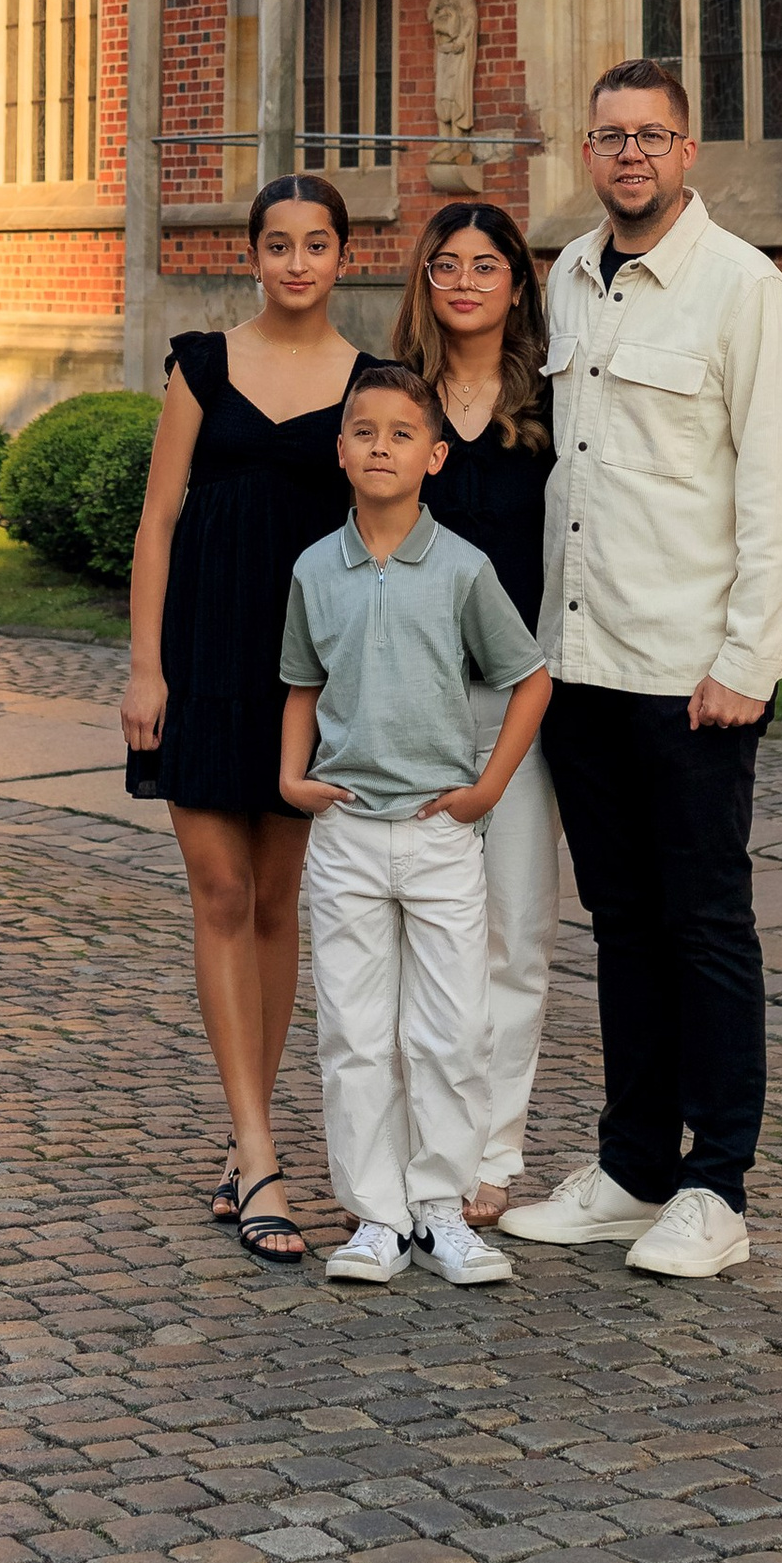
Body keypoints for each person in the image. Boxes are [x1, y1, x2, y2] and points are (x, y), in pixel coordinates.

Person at [500, 57, 782, 1283]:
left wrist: (748, 658)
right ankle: (631, 1169)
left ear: (689, 154)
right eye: (609, 135)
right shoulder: (568, 280)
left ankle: (714, 1186)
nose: (629, 153)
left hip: (692, 676)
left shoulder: (742, 292)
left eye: (652, 136)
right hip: (580, 666)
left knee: (705, 928)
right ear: (589, 153)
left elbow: (772, 488)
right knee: (621, 929)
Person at [120, 170, 382, 1268]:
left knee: (277, 900)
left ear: (341, 258)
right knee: (218, 889)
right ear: (252, 255)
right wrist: (145, 671)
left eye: (315, 245)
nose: (295, 263)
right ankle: (261, 1148)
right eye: (277, 245)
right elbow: (158, 523)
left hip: (305, 680)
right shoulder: (201, 366)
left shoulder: (367, 382)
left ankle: (247, 1138)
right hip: (200, 661)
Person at [279, 363, 550, 1288]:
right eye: (364, 431)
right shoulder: (316, 569)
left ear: (435, 456)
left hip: (441, 835)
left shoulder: (464, 568)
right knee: (355, 1031)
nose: (381, 446)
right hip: (347, 833)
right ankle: (375, 1216)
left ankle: (442, 1209)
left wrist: (485, 790)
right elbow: (301, 683)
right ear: (341, 450)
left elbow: (529, 677)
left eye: (402, 433)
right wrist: (291, 776)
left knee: (450, 1028)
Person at [393, 197, 556, 1222]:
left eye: (483, 265)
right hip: (410, 698)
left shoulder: (554, 401)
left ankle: (493, 1151)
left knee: (514, 930)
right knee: (419, 931)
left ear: (515, 283)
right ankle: (422, 1143)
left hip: (520, 694)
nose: (462, 281)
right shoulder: (392, 397)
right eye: (445, 265)